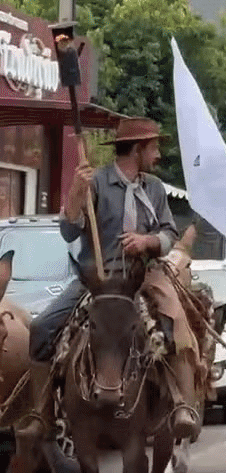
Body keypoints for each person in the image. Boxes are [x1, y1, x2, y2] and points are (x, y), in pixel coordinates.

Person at [23, 117, 201, 441]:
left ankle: (182, 405)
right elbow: (68, 232)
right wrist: (75, 195)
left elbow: (169, 234)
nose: (158, 155)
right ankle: (42, 413)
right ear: (137, 150)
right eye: (153, 148)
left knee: (175, 321)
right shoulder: (95, 183)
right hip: (98, 280)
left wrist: (147, 241)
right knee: (41, 327)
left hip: (145, 277)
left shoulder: (155, 187)